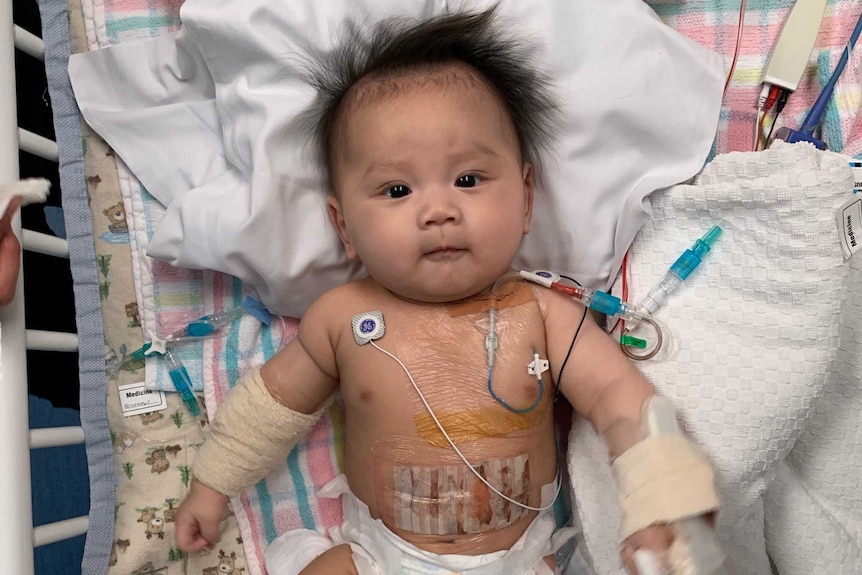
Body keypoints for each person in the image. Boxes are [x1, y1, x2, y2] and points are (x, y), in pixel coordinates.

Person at [175, 8, 719, 575]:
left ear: (526, 199)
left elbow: (620, 396)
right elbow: (271, 406)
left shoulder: (544, 314)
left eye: (468, 179)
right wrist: (212, 485)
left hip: (520, 560)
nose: (438, 211)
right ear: (345, 228)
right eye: (396, 189)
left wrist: (661, 496)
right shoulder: (341, 317)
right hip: (381, 556)